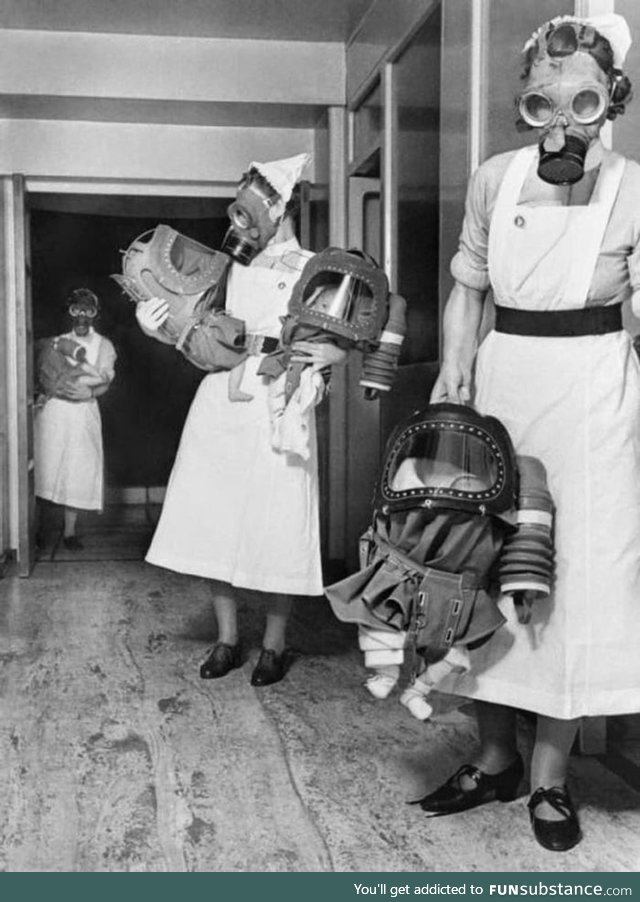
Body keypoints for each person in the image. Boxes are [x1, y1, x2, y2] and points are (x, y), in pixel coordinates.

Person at [420, 13, 640, 852]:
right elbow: (468, 286)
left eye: (582, 102)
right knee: (481, 567)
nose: (563, 124)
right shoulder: (495, 178)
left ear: (609, 100)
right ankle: (493, 755)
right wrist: (454, 366)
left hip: (596, 394)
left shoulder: (633, 183)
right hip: (505, 383)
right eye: (545, 103)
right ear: (524, 105)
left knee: (571, 584)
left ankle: (550, 780)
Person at [138, 154, 346, 687]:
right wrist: (153, 323)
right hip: (223, 399)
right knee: (217, 519)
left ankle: (274, 647)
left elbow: (347, 332)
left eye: (260, 202)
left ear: (282, 206)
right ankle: (227, 640)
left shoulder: (317, 266)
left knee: (279, 521)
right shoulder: (227, 264)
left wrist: (333, 360)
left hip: (280, 397)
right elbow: (191, 325)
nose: (245, 217)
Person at [35, 289, 117, 549]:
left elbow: (105, 379)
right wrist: (44, 394)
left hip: (83, 413)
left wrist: (90, 391)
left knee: (77, 471)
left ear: (95, 314)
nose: (82, 316)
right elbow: (44, 374)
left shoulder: (104, 345)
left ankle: (69, 533)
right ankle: (36, 531)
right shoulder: (57, 342)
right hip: (54, 414)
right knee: (45, 468)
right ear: (70, 312)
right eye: (77, 310)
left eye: (88, 310)